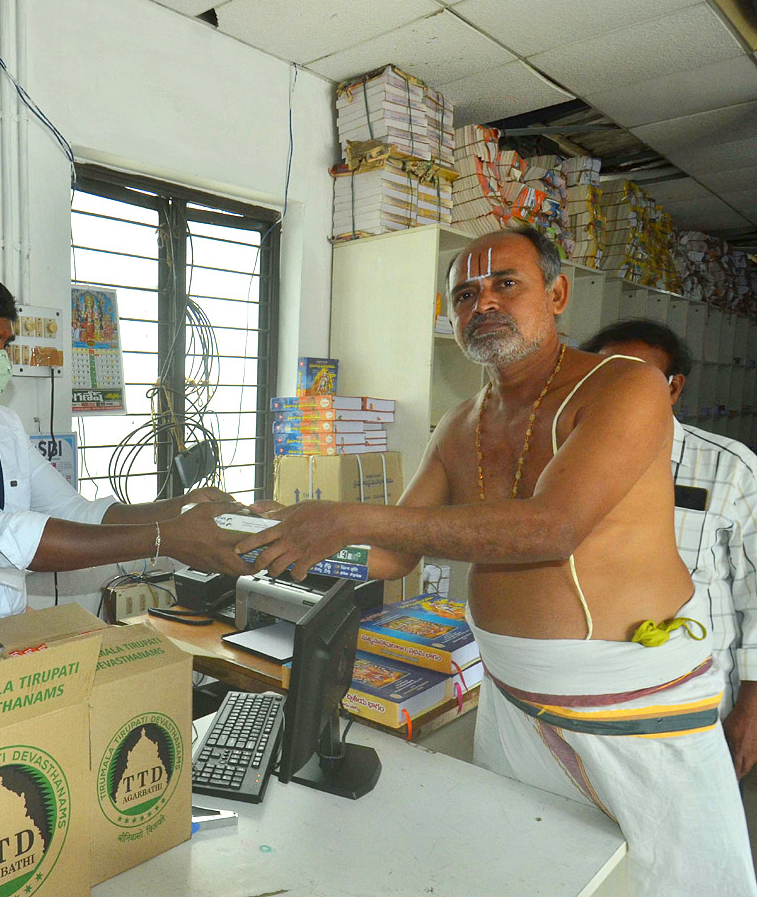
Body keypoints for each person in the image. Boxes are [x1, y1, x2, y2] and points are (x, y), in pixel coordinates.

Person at [235, 227, 756, 894]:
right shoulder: (461, 421)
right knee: (533, 868)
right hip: (510, 695)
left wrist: (346, 515)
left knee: (670, 878)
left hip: (631, 699)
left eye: (505, 284)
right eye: (463, 294)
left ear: (558, 293)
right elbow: (392, 555)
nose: (483, 304)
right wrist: (272, 543)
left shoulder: (626, 387)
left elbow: (550, 529)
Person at [0, 264, 250, 688]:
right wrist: (170, 536)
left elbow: (78, 512)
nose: (0, 358)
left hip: (7, 654)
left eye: (5, 343)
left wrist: (181, 508)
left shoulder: (2, 424)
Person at [584, 318, 757, 779]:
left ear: (673, 387)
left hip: (697, 702)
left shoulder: (729, 468)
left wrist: (751, 714)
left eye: (637, 379)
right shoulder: (564, 466)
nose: (617, 391)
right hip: (594, 699)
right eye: (604, 376)